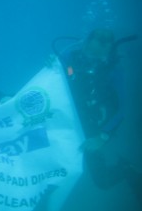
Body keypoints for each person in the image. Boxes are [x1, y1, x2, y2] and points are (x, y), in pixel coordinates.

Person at [59, 28, 141, 203]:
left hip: (91, 126)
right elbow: (49, 80)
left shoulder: (114, 69)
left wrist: (102, 136)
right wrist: (50, 65)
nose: (93, 60)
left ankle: (126, 168)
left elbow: (122, 109)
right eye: (90, 53)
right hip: (64, 118)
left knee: (103, 181)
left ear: (109, 52)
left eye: (100, 56)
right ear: (85, 44)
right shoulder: (69, 57)